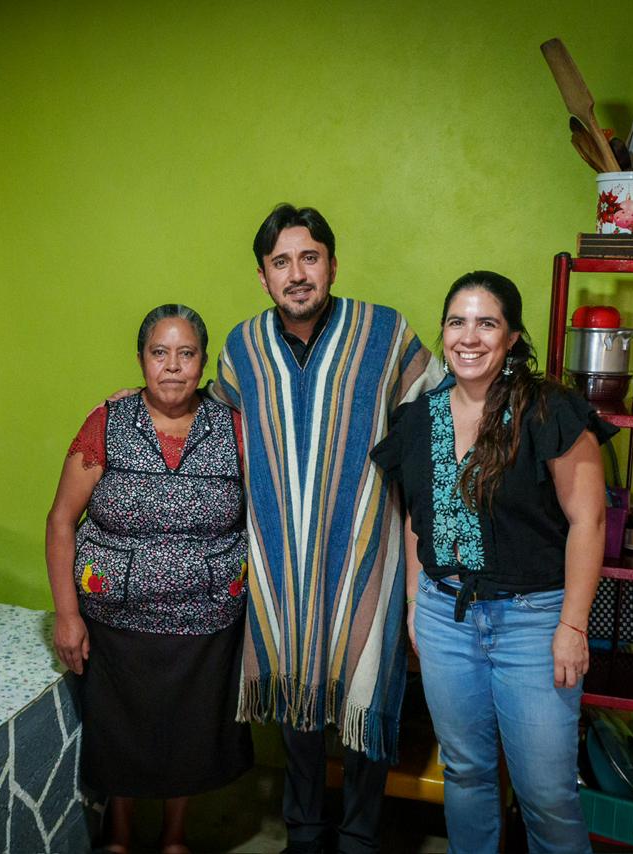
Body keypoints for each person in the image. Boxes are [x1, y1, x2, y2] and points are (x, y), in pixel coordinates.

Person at [214, 204, 444, 853]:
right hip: (279, 549)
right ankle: (305, 828)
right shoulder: (242, 347)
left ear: (332, 264)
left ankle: (360, 833)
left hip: (367, 544)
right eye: (281, 262)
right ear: (263, 276)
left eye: (309, 257)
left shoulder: (385, 332)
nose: (297, 273)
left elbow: (436, 415)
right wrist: (138, 407)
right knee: (291, 685)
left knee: (365, 686)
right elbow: (221, 431)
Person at [371, 271, 613, 853]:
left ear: (511, 337)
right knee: (466, 771)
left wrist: (573, 627)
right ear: (444, 332)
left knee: (547, 792)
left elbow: (590, 521)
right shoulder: (420, 417)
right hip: (444, 615)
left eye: (487, 323)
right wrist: (412, 606)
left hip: (534, 622)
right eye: (457, 321)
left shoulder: (549, 410)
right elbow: (414, 517)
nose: (469, 336)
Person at [45, 304, 252, 854]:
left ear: (203, 362)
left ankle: (175, 836)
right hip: (116, 622)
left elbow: (267, 514)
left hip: (206, 622)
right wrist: (67, 615)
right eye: (160, 353)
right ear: (141, 360)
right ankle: (117, 832)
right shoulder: (107, 423)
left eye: (187, 354)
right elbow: (61, 520)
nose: (173, 367)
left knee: (189, 733)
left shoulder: (233, 427)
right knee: (121, 734)